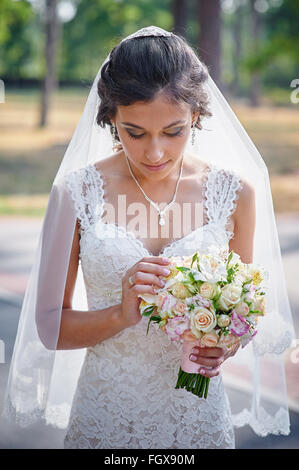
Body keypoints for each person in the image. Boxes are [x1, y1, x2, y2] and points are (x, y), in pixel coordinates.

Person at [1, 26, 295, 449]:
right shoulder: (76, 193)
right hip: (105, 416)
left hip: (197, 421)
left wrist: (221, 346)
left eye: (173, 131)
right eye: (134, 132)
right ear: (110, 118)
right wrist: (121, 314)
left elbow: (241, 312)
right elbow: (49, 328)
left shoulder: (236, 195)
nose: (154, 153)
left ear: (196, 114)